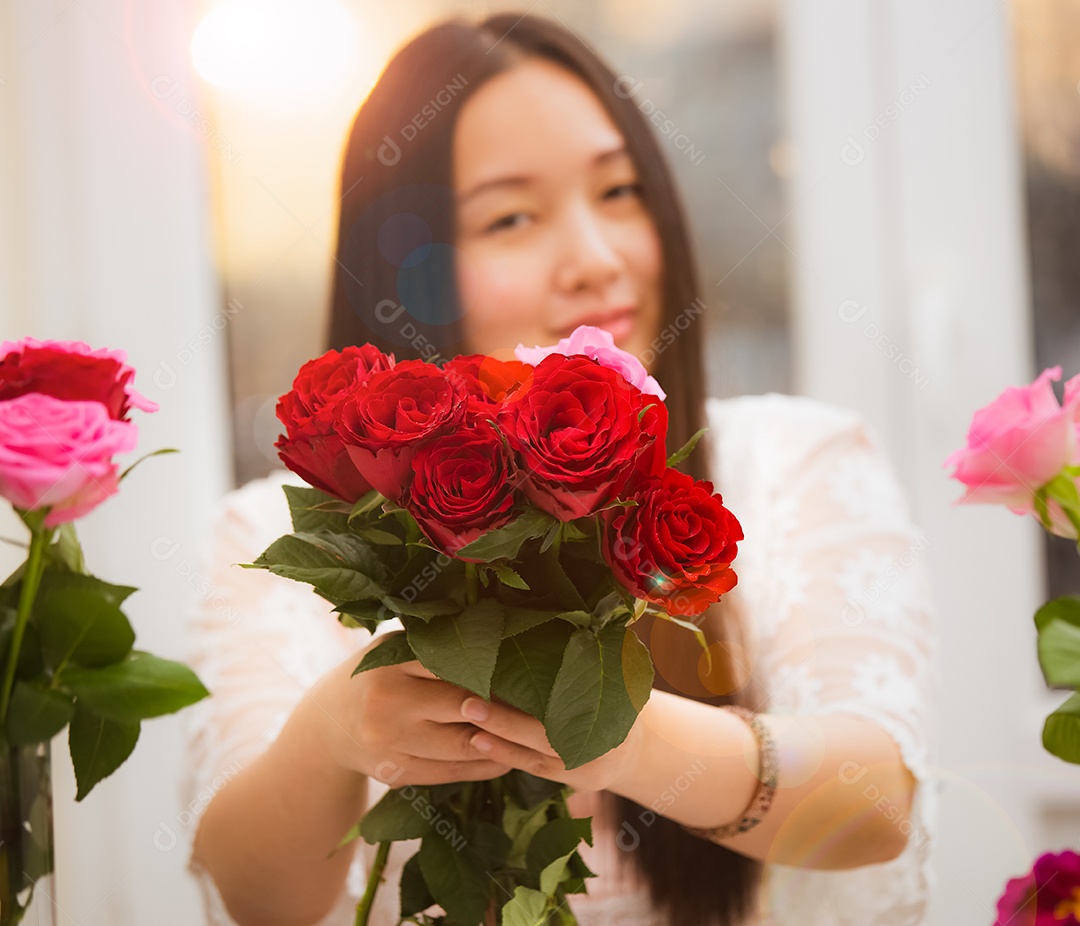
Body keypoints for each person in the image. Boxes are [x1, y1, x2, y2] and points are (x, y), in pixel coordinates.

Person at [181, 12, 937, 926]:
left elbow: (877, 803)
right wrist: (333, 733)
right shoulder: (276, 537)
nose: (597, 259)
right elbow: (258, 900)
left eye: (619, 191)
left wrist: (619, 732)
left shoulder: (795, 463)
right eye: (511, 216)